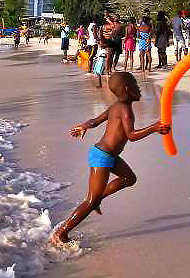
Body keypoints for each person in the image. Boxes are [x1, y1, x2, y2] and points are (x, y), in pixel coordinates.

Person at [51, 72, 170, 243]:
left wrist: (83, 126)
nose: (139, 89)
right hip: (103, 157)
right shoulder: (125, 110)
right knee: (91, 200)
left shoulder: (116, 106)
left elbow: (95, 121)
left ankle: (98, 199)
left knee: (129, 178)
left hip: (107, 155)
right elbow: (131, 135)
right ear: (128, 90)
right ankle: (62, 232)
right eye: (136, 85)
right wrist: (154, 128)